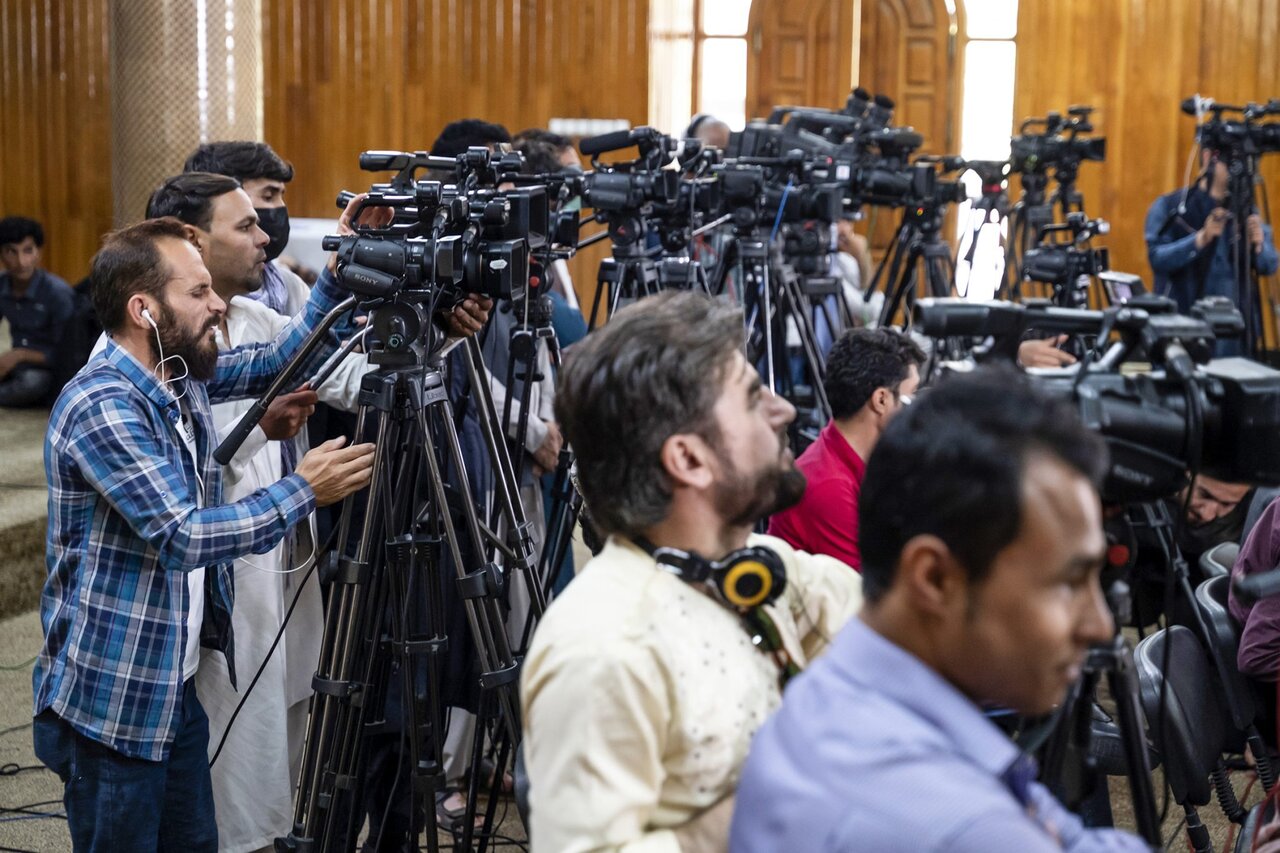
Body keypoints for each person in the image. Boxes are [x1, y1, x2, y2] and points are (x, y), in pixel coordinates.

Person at [33, 216, 376, 851]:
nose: (218, 302)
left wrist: (337, 273)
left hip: (173, 685)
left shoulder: (176, 372)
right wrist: (304, 489)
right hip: (115, 699)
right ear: (144, 309)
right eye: (197, 292)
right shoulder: (102, 402)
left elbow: (280, 359)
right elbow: (183, 535)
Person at [731, 367, 1147, 852]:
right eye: (1066, 584)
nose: (1099, 626)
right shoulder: (962, 828)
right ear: (933, 577)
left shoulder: (823, 700)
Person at [521, 291, 863, 852]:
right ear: (688, 460)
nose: (785, 411)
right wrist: (776, 802)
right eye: (753, 398)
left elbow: (894, 628)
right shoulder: (605, 648)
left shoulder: (758, 565)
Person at [767, 327, 923, 570]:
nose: (917, 410)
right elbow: (868, 597)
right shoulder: (829, 487)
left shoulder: (855, 456)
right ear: (881, 400)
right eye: (911, 397)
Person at [1145, 146, 1279, 353]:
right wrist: (1200, 239)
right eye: (1232, 162)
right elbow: (1157, 258)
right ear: (1208, 157)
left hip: (1237, 331)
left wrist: (1259, 245)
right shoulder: (1172, 206)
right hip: (1185, 324)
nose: (1239, 170)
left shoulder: (1247, 210)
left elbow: (1269, 265)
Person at [184, 140, 307, 317]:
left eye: (282, 196)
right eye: (268, 196)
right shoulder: (192, 309)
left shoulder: (289, 286)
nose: (281, 208)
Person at [0, 215, 76, 406]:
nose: (21, 261)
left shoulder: (57, 293)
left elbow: (69, 354)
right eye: (11, 252)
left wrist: (20, 355)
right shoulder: (2, 286)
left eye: (27, 251)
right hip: (18, 365)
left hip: (50, 369)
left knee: (32, 383)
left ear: (38, 253)